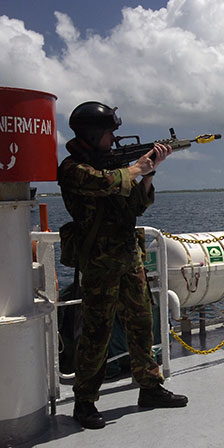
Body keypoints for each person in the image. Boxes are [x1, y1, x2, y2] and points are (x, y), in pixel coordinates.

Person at [58, 102, 188, 430]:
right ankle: (85, 400)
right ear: (92, 134)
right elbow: (105, 183)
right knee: (97, 331)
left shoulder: (113, 167)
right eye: (108, 131)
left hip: (129, 256)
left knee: (142, 323)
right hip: (99, 261)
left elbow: (136, 205)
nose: (113, 136)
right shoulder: (73, 168)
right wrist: (136, 169)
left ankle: (150, 386)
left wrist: (150, 172)